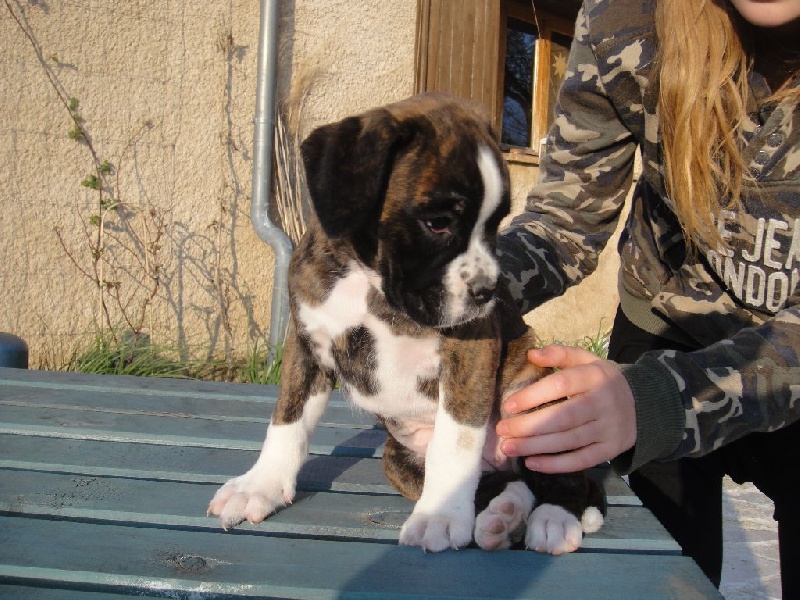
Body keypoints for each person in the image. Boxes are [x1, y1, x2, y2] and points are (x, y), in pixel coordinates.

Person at [494, 0, 800, 595]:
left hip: (715, 377)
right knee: (657, 579)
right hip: (662, 331)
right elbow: (563, 221)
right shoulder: (624, 20)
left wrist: (658, 403)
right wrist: (460, 293)